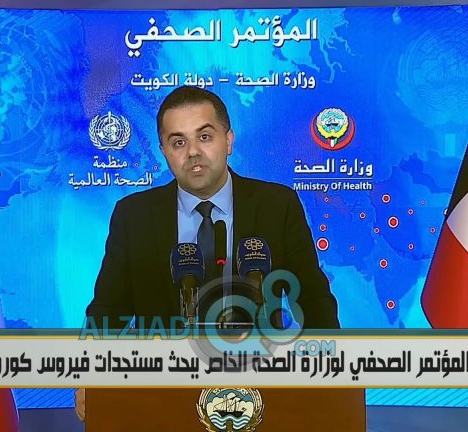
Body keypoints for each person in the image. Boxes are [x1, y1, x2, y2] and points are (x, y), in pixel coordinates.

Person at [76, 86, 339, 421]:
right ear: (164, 151)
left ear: (228, 140)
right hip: (161, 397)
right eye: (178, 142)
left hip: (264, 393)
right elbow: (108, 310)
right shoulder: (134, 215)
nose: (193, 152)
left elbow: (314, 301)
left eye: (204, 136)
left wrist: (330, 374)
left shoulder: (277, 205)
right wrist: (89, 373)